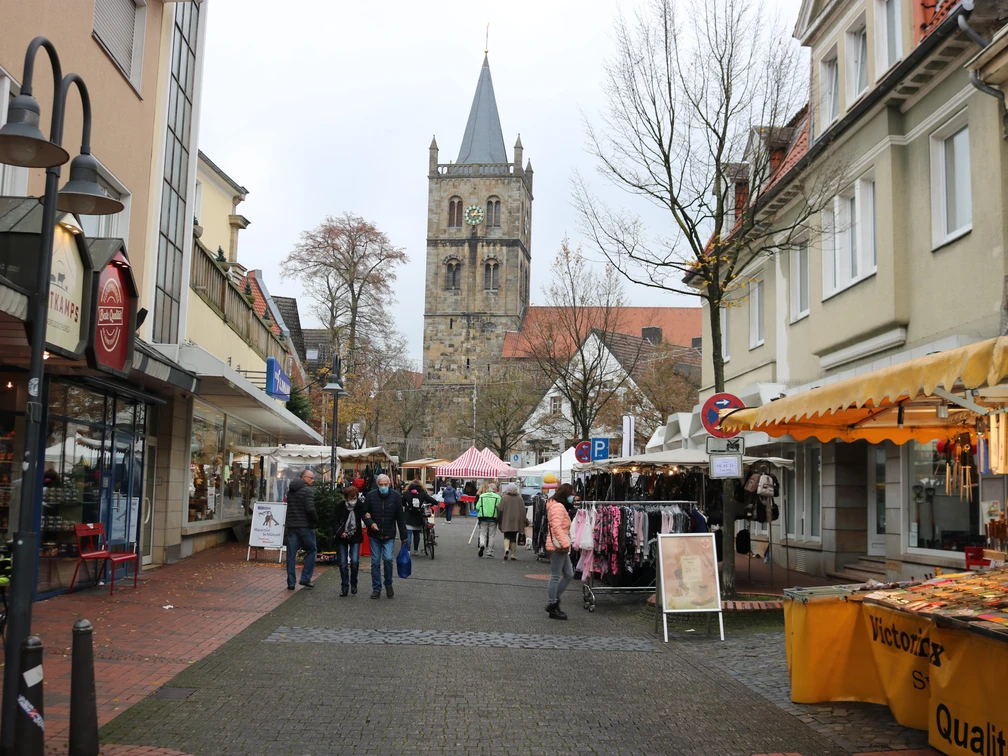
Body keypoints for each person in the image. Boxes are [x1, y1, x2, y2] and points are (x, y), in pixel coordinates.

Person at [362, 474, 408, 599]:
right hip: (374, 535)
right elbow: (364, 513)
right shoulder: (371, 496)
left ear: (389, 484)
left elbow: (400, 517)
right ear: (377, 485)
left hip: (389, 534)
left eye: (385, 484)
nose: (383, 487)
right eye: (381, 484)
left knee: (388, 559)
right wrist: (371, 524)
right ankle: (376, 588)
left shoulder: (395, 496)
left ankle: (388, 584)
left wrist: (404, 535)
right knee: (375, 562)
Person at [545, 482, 575, 620]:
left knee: (569, 573)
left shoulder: (558, 506)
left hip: (560, 545)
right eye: (572, 494)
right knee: (556, 575)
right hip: (558, 546)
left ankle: (554, 600)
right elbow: (556, 527)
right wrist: (564, 543)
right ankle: (553, 604)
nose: (573, 497)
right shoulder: (558, 507)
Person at [285, 468, 318, 590]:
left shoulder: (290, 491)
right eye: (311, 478)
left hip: (293, 526)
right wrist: (315, 520)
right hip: (305, 526)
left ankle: (291, 582)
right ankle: (305, 578)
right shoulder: (307, 491)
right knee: (312, 550)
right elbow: (310, 509)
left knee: (291, 555)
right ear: (304, 478)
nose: (313, 480)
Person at [335, 485, 365, 597]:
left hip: (355, 535)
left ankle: (354, 583)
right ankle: (344, 586)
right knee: (343, 563)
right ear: (345, 497)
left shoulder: (360, 506)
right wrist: (340, 531)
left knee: (355, 561)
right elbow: (334, 521)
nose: (352, 501)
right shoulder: (340, 506)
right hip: (342, 536)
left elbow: (365, 516)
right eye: (349, 499)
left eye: (354, 498)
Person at [404, 481, 437, 554]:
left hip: (408, 516)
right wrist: (434, 503)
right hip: (418, 516)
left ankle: (408, 551)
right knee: (417, 534)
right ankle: (416, 550)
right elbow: (433, 501)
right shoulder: (423, 493)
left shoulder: (406, 493)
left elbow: (402, 502)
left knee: (408, 534)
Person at [498, 482, 526, 562]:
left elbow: (500, 509)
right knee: (513, 537)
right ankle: (513, 554)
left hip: (506, 520)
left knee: (506, 535)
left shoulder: (504, 498)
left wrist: (499, 519)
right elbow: (523, 510)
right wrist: (524, 520)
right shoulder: (520, 498)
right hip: (517, 521)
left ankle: (506, 549)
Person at [475, 482, 501, 558]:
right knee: (491, 535)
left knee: (483, 533)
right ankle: (490, 552)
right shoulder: (497, 497)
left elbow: (477, 507)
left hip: (483, 517)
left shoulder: (482, 496)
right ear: (494, 489)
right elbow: (499, 508)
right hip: (493, 518)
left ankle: (482, 544)